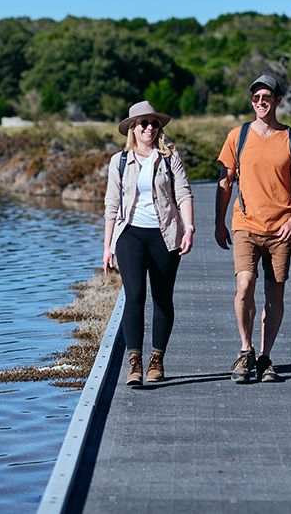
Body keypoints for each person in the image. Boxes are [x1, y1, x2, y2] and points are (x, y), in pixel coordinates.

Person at [215, 74, 291, 384]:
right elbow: (225, 181)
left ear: (277, 100)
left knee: (275, 296)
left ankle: (265, 357)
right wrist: (219, 222)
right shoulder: (238, 136)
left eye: (266, 97)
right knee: (244, 286)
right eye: (256, 98)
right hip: (245, 224)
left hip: (281, 228)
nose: (260, 102)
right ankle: (246, 351)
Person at [103, 100, 195, 387]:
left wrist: (189, 228)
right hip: (130, 234)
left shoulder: (169, 157)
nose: (149, 128)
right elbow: (112, 204)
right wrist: (107, 247)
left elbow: (183, 194)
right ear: (133, 127)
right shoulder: (119, 161)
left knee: (162, 297)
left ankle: (156, 359)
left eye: (154, 123)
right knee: (135, 295)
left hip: (165, 234)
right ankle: (134, 362)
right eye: (143, 123)